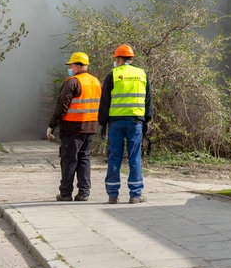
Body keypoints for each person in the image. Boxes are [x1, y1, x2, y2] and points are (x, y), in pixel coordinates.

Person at [98, 43, 152, 204]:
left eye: (116, 58)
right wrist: (147, 119)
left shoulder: (113, 75)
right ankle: (135, 194)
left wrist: (102, 123)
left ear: (120, 59)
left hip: (115, 123)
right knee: (134, 157)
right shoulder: (142, 74)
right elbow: (148, 99)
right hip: (135, 122)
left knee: (114, 157)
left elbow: (105, 101)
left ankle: (112, 194)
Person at [47, 51, 102, 202]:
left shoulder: (73, 82)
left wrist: (52, 125)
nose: (69, 68)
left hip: (72, 127)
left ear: (77, 66)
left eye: (71, 65)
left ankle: (65, 193)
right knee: (84, 158)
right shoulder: (96, 82)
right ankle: (84, 193)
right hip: (90, 127)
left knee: (69, 159)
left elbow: (62, 105)